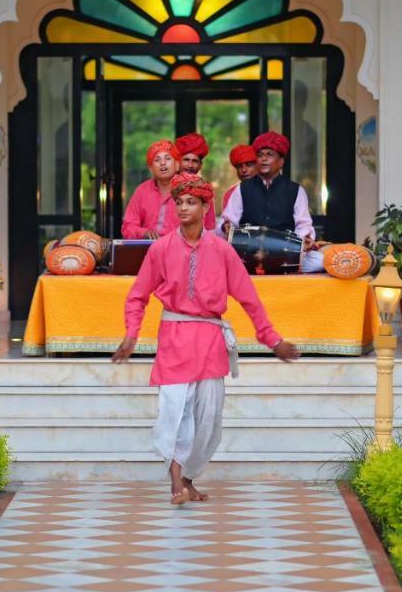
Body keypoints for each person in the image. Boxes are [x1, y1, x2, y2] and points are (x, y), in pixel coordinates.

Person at [113, 173, 300, 505]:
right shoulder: (160, 249)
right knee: (175, 414)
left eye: (191, 202)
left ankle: (188, 478)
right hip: (174, 341)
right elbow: (137, 296)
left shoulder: (222, 250)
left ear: (204, 207)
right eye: (179, 202)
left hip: (211, 343)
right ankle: (175, 484)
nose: (183, 208)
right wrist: (131, 334)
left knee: (208, 422)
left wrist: (273, 341)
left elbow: (249, 299)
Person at [221, 131, 324, 272]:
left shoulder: (295, 190)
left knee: (320, 262)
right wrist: (226, 227)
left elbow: (303, 224)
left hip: (285, 254)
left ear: (281, 161)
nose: (263, 159)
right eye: (260, 155)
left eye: (269, 154)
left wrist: (302, 242)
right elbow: (229, 221)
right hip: (248, 253)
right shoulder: (242, 189)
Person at [122, 140, 181, 238]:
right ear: (151, 168)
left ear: (177, 165)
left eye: (167, 158)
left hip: (180, 250)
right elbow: (128, 227)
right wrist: (144, 233)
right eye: (157, 160)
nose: (162, 163)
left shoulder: (187, 189)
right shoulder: (142, 191)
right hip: (147, 249)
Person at [175, 132, 218, 229]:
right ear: (178, 161)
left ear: (200, 165)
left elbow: (210, 228)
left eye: (195, 161)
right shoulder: (167, 186)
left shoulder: (205, 191)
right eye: (186, 160)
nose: (190, 165)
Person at [223, 144, 257, 210]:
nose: (244, 170)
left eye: (249, 165)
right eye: (239, 166)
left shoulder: (270, 189)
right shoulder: (230, 194)